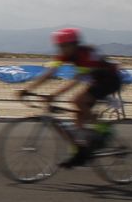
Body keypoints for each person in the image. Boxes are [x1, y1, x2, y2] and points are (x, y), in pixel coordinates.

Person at [18, 27, 124, 167]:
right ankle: (79, 152)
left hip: (111, 80)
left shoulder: (85, 54)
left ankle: (103, 130)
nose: (61, 49)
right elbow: (50, 73)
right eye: (59, 46)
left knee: (77, 101)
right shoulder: (65, 55)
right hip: (95, 81)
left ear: (73, 44)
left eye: (64, 46)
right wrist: (28, 89)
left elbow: (77, 80)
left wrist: (54, 95)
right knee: (77, 121)